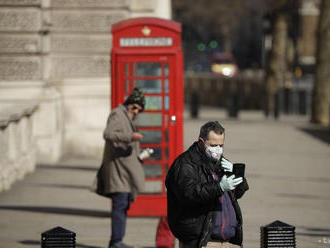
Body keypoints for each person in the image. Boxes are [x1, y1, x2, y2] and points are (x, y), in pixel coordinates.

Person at [165, 121, 249, 248]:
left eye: (221, 145)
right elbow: (189, 194)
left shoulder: (219, 162)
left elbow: (237, 193)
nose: (218, 150)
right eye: (214, 145)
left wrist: (237, 175)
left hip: (226, 240)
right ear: (201, 142)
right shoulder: (185, 164)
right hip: (201, 240)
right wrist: (219, 187)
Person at [99, 88, 151, 248]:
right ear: (129, 103)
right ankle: (116, 242)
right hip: (117, 170)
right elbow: (107, 134)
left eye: (139, 110)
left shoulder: (128, 117)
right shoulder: (117, 114)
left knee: (124, 204)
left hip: (126, 170)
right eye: (134, 107)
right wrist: (130, 136)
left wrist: (140, 155)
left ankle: (116, 240)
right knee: (120, 204)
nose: (136, 111)